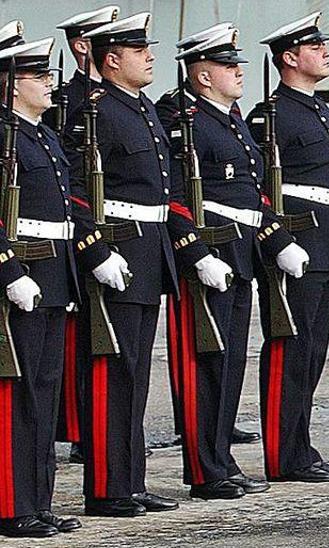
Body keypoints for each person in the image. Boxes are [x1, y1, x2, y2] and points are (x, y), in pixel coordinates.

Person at [64, 12, 234, 517]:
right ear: (111, 60)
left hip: (147, 253)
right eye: (139, 51)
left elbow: (165, 192)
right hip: (115, 252)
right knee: (110, 376)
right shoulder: (94, 111)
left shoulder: (139, 110)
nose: (151, 56)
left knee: (135, 376)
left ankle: (130, 481)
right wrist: (95, 253)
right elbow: (73, 192)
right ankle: (108, 488)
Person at [165, 26, 303, 500]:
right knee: (205, 364)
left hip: (241, 253)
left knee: (229, 365)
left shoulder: (230, 119)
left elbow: (251, 193)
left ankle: (220, 458)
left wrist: (275, 237)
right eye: (228, 66)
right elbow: (176, 198)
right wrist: (196, 252)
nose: (238, 72)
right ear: (202, 75)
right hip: (211, 254)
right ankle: (205, 469)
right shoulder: (185, 120)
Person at [246, 11, 329, 483]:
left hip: (327, 242)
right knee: (290, 348)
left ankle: (301, 445)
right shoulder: (271, 115)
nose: (324, 52)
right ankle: (284, 454)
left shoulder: (320, 109)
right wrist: (277, 239)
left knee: (314, 350)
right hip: (296, 244)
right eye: (314, 46)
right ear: (289, 57)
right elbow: (256, 186)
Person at [0, 36, 82, 538]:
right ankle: (12, 504)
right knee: (17, 395)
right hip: (21, 277)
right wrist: (9, 271)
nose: (50, 83)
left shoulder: (43, 137)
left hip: (52, 277)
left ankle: (38, 499)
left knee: (44, 394)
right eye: (39, 76)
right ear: (10, 86)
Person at [47, 5, 118, 467]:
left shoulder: (124, 100)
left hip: (124, 226)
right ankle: (77, 427)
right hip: (82, 223)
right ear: (82, 45)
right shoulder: (69, 101)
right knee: (82, 334)